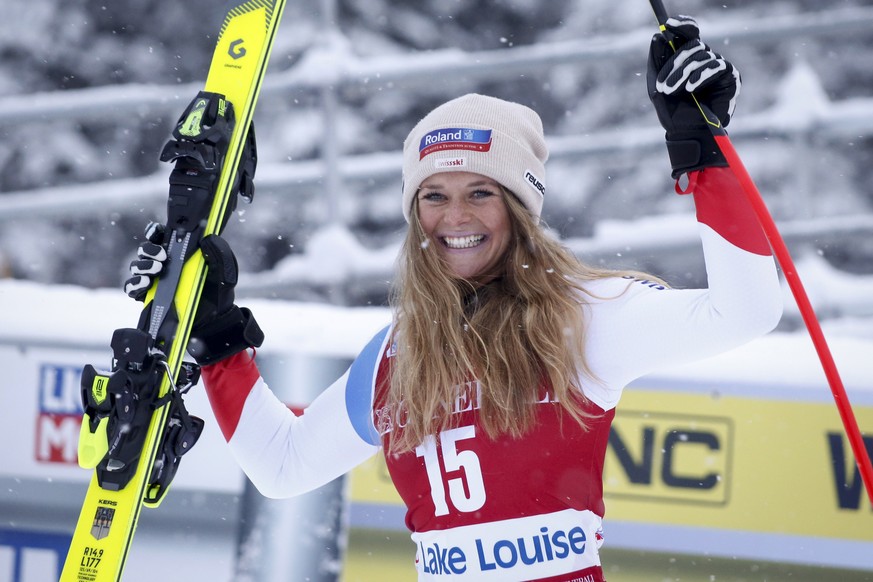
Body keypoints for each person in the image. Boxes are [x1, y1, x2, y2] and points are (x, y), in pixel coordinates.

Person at [126, 16, 782, 582]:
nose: (454, 216)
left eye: (481, 192)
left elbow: (745, 310)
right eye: (434, 196)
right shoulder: (397, 355)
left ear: (520, 207)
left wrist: (701, 152)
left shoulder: (584, 317)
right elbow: (283, 464)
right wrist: (218, 342)